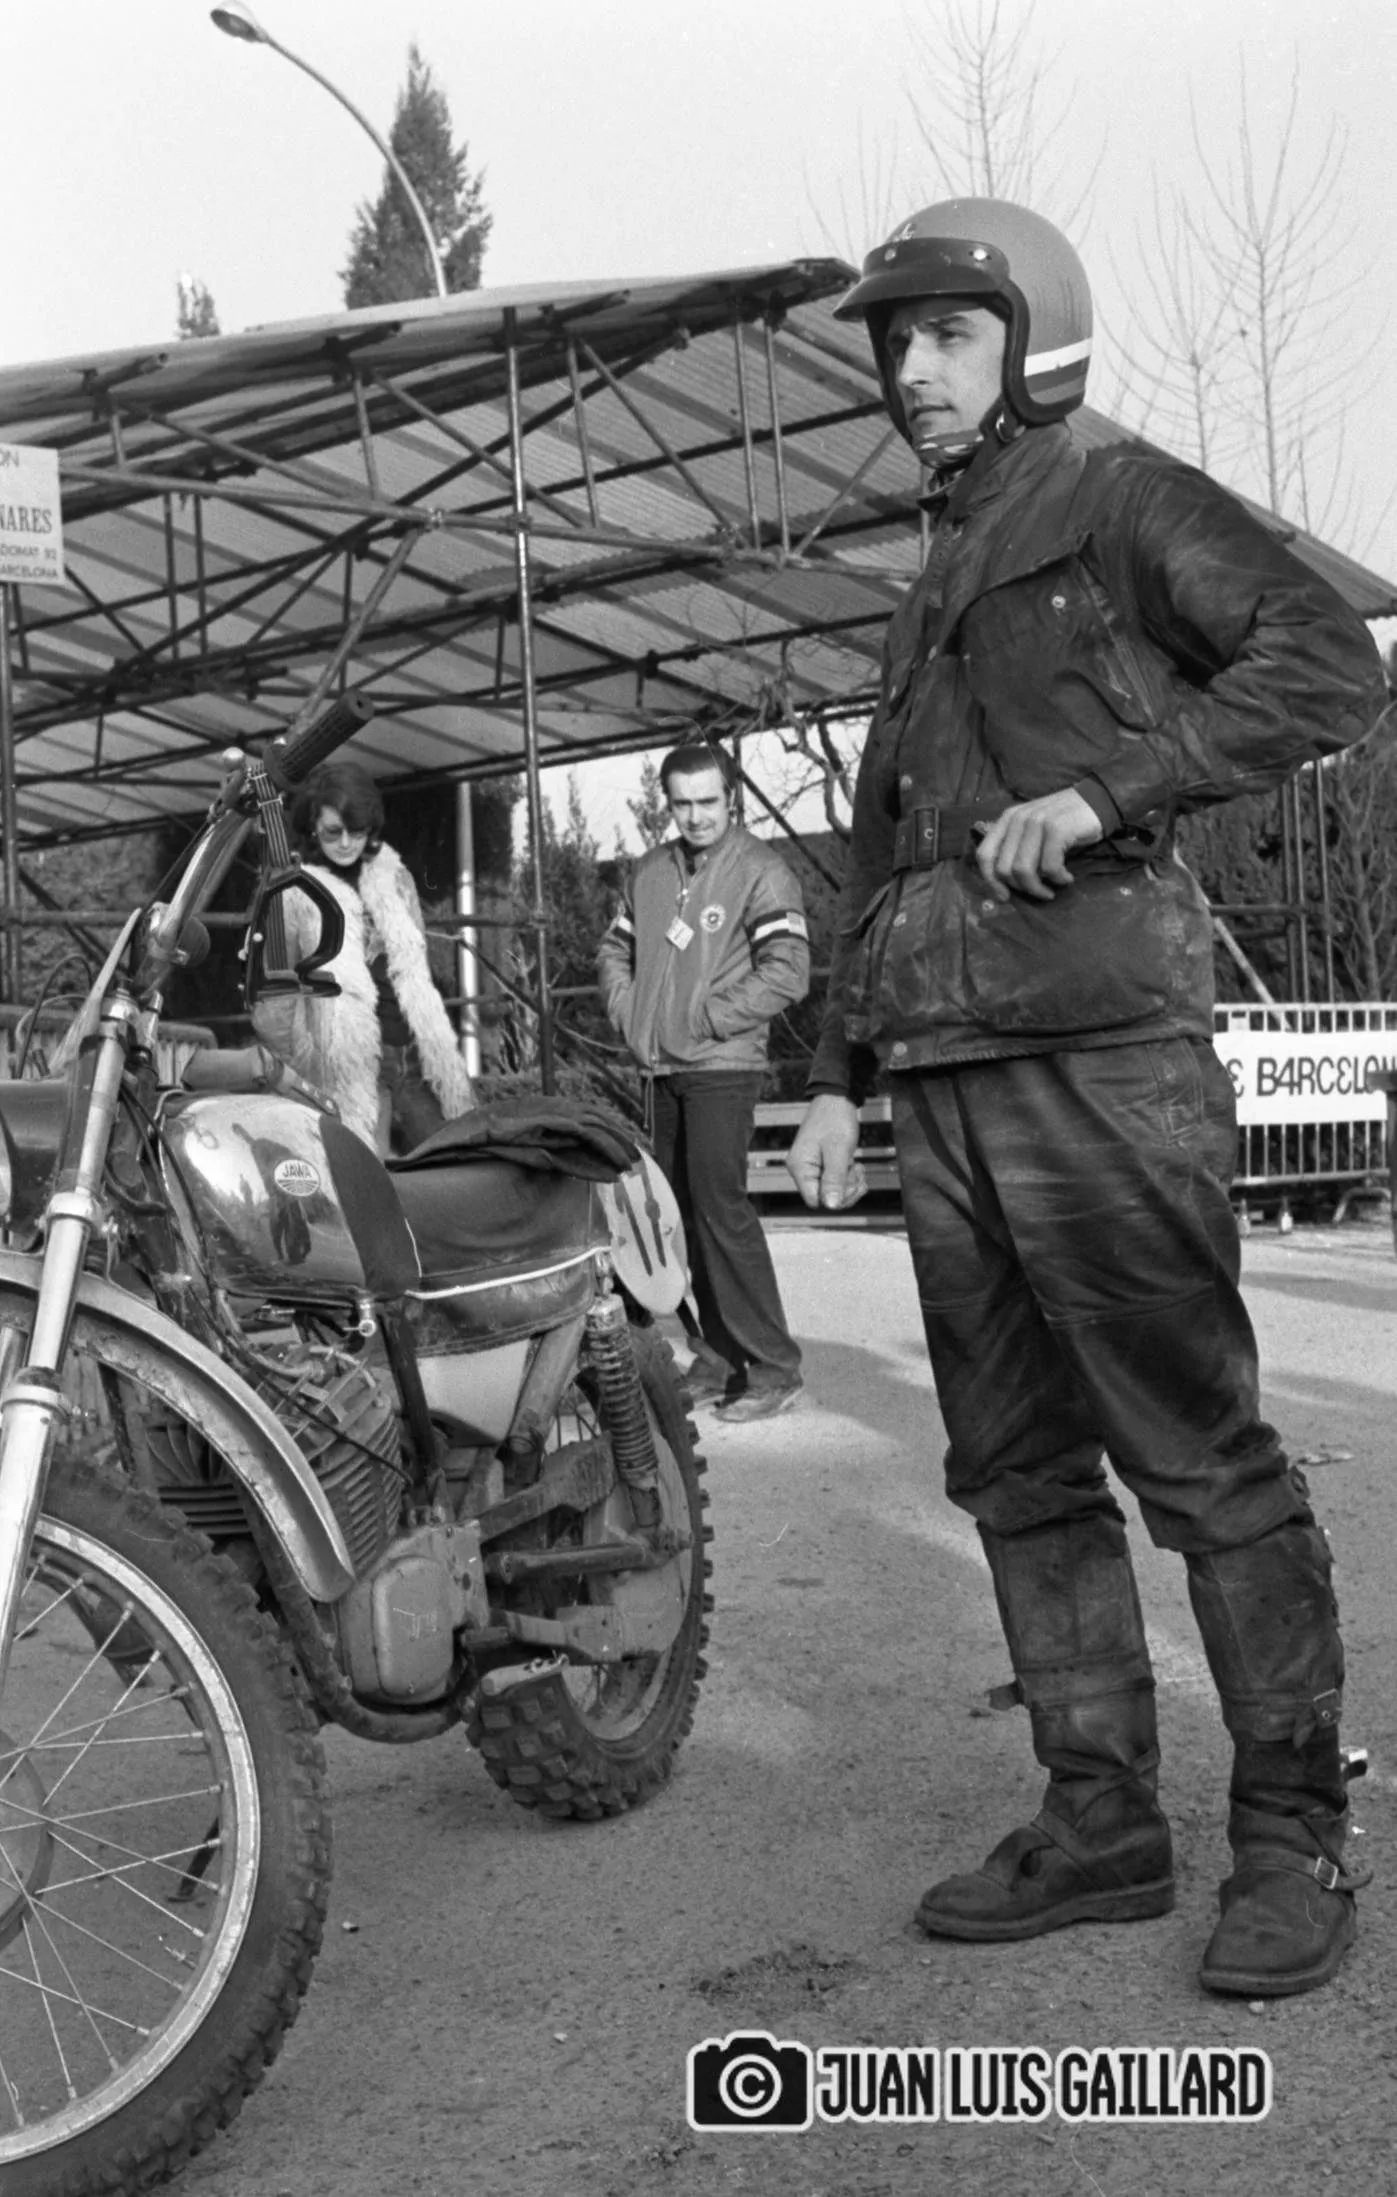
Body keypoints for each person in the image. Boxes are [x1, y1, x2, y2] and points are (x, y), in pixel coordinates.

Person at [786, 198, 1387, 1996]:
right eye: (893, 340)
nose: (908, 368)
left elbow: (1326, 663)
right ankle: (1101, 1817)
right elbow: (883, 843)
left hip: (1102, 1050)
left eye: (945, 335)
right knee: (1015, 1471)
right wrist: (834, 1072)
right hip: (942, 1071)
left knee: (1196, 1456)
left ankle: (1291, 1828)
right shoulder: (934, 575)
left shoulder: (1115, 499)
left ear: (1028, 338)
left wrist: (1119, 788)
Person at [598, 743, 810, 1421]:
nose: (695, 816)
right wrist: (631, 1012)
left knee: (720, 1208)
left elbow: (788, 971)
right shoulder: (651, 871)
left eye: (708, 801)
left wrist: (706, 1019)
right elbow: (615, 949)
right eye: (682, 803)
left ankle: (773, 1368)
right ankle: (717, 1358)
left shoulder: (761, 870)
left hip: (723, 1065)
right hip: (660, 1065)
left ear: (731, 798)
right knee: (680, 1215)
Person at [252, 759, 473, 1154]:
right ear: (312, 825)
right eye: (333, 831)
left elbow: (416, 966)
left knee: (457, 1157)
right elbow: (275, 991)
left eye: (357, 831)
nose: (345, 843)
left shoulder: (394, 876)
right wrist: (295, 1066)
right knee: (369, 1171)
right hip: (349, 1061)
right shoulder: (292, 889)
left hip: (413, 1051)